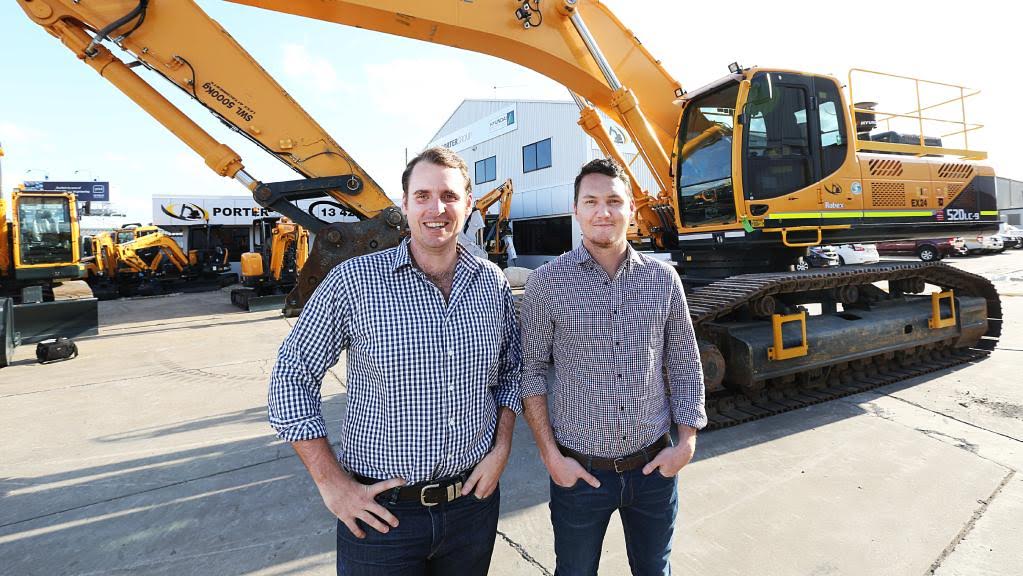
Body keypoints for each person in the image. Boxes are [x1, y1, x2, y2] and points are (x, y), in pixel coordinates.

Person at [268, 146, 521, 576]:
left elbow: (512, 371)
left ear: (468, 204)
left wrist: (502, 448)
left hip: (472, 506)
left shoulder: (491, 284)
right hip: (382, 517)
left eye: (449, 196)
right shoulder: (354, 281)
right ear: (404, 204)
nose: (436, 209)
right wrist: (332, 484)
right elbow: (292, 376)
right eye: (422, 196)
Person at [520, 158, 707, 576]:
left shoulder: (663, 280)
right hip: (579, 474)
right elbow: (529, 371)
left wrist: (687, 442)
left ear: (631, 207)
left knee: (654, 569)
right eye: (591, 201)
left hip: (654, 469)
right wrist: (551, 457)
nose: (603, 211)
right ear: (576, 210)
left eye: (614, 201)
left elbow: (684, 362)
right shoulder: (546, 284)